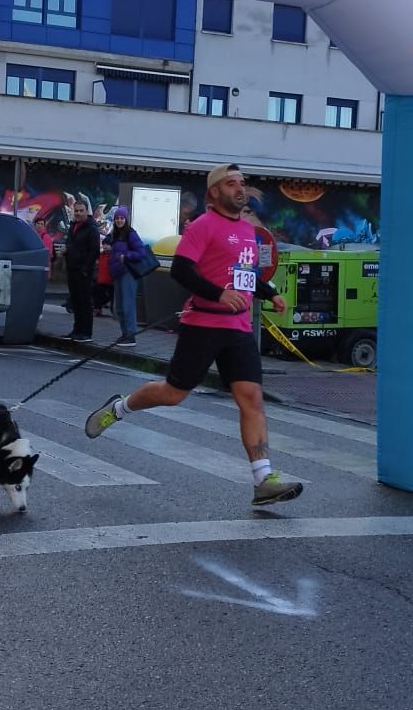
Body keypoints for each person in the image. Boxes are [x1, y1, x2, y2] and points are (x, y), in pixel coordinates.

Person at [84, 164, 303, 506]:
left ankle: (263, 479)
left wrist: (269, 292)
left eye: (241, 183)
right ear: (214, 192)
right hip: (203, 324)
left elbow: (244, 273)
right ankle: (119, 407)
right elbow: (182, 271)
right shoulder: (203, 226)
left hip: (239, 328)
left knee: (252, 399)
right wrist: (217, 294)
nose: (239, 189)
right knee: (172, 395)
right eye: (231, 184)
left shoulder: (247, 231)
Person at [105, 205, 153, 347]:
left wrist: (126, 255)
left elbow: (141, 252)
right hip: (117, 273)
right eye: (117, 218)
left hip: (127, 273)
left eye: (122, 218)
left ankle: (131, 335)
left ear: (126, 219)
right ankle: (125, 333)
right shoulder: (114, 234)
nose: (119, 220)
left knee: (127, 305)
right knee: (119, 306)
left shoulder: (131, 233)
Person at [64, 199, 101, 341]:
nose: (78, 213)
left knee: (85, 302)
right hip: (72, 268)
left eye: (81, 211)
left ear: (87, 212)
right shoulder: (73, 226)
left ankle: (86, 332)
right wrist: (67, 250)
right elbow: (71, 243)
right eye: (76, 210)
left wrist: (86, 269)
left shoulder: (91, 229)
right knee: (76, 301)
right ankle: (77, 330)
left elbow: (94, 251)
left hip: (83, 271)